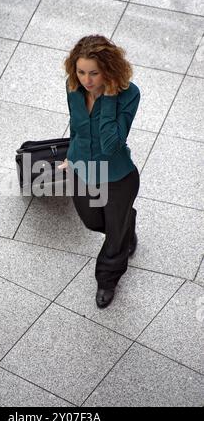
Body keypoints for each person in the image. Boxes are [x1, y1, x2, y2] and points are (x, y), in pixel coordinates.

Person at [58, 34, 140, 309]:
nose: (87, 80)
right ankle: (127, 221)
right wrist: (71, 157)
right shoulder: (73, 88)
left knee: (115, 238)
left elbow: (111, 144)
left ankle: (107, 279)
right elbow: (77, 128)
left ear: (109, 68)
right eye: (81, 72)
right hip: (82, 169)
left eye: (94, 73)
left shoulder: (129, 94)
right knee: (93, 222)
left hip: (117, 176)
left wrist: (110, 97)